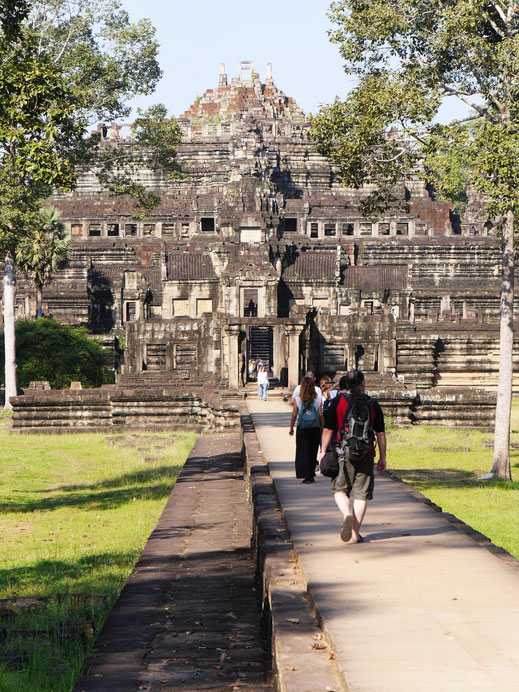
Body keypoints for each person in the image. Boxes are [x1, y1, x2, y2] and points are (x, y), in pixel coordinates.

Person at [319, 370, 386, 544]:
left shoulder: (338, 401)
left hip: (343, 452)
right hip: (366, 453)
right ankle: (355, 532)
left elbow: (328, 428)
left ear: (346, 385)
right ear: (363, 384)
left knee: (340, 490)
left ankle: (346, 514)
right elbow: (380, 434)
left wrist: (323, 451)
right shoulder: (373, 404)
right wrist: (383, 458)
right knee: (362, 495)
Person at [289, 375, 324, 483]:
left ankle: (305, 474)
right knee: (313, 451)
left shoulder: (299, 399)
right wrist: (322, 427)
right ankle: (311, 474)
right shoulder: (317, 399)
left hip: (302, 427)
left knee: (303, 451)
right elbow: (320, 415)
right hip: (315, 428)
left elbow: (294, 414)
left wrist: (291, 427)